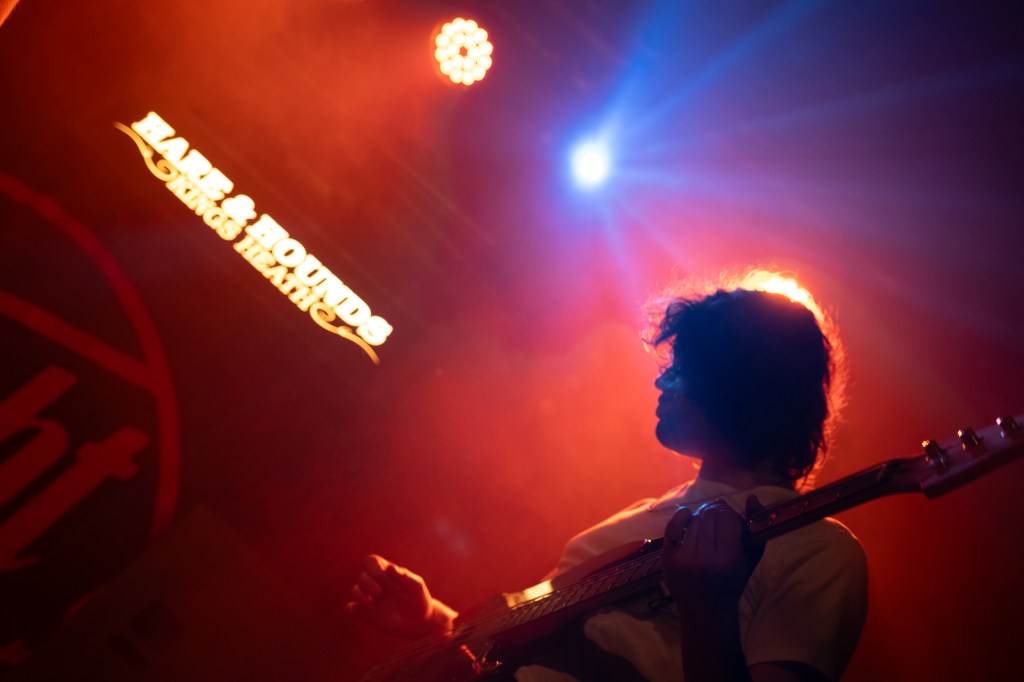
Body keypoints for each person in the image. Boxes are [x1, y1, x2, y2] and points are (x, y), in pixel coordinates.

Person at [348, 285, 868, 681]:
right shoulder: (644, 513)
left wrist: (707, 610)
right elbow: (524, 645)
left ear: (742, 386)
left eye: (683, 370)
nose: (661, 381)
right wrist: (431, 621)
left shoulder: (816, 550)